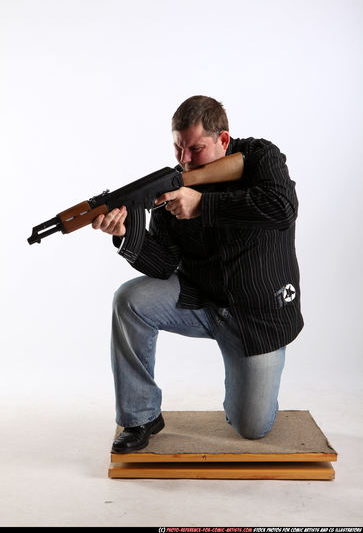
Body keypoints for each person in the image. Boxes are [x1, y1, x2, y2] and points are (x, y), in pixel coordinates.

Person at [92, 95, 304, 454]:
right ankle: (140, 416)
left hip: (258, 317)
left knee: (252, 427)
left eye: (195, 148)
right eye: (178, 148)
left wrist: (202, 204)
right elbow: (162, 265)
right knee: (130, 300)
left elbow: (282, 208)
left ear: (223, 140)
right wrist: (128, 234)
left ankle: (245, 395)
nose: (184, 160)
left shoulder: (260, 158)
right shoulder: (172, 183)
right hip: (200, 301)